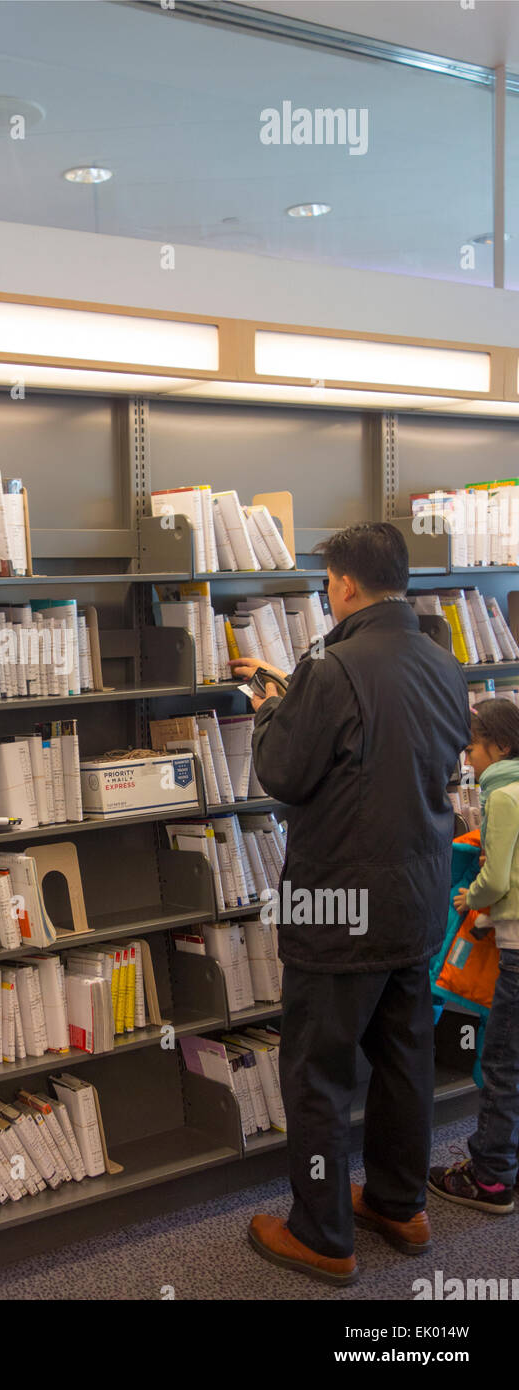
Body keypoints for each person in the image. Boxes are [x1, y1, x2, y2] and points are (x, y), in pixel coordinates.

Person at [232, 522, 471, 1285]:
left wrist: (272, 706)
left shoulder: (329, 670)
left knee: (317, 1072)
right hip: (420, 895)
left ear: (340, 585)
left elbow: (282, 773)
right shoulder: (444, 662)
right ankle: (400, 1205)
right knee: (404, 1058)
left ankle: (322, 1235)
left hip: (336, 906)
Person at [429, 699, 519, 1214]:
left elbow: (498, 879)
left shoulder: (502, 795)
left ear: (500, 747)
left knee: (501, 1066)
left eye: (473, 748)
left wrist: (471, 900)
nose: (468, 761)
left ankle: (489, 1178)